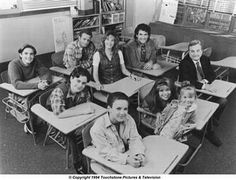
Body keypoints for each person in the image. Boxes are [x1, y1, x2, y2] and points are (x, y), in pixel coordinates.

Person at [179, 39, 226, 147]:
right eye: (192, 51)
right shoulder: (184, 63)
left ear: (201, 51)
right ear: (188, 52)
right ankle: (210, 132)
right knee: (208, 107)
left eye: (198, 50)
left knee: (223, 101)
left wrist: (205, 82)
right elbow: (188, 81)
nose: (196, 54)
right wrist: (204, 86)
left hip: (205, 89)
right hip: (191, 92)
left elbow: (212, 75)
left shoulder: (205, 59)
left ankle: (212, 119)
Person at [46, 66, 91, 173]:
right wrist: (82, 113)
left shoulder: (84, 90)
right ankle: (78, 163)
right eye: (78, 80)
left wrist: (84, 124)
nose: (80, 85)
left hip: (72, 115)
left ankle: (90, 153)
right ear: (71, 78)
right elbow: (59, 113)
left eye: (84, 83)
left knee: (88, 129)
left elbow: (87, 105)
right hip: (56, 118)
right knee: (73, 136)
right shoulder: (59, 90)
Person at [90, 92, 145, 168]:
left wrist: (138, 153)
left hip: (124, 155)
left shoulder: (128, 119)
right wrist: (127, 159)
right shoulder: (97, 128)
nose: (122, 113)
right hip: (106, 161)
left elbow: (134, 138)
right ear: (109, 109)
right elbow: (106, 152)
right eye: (118, 109)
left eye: (125, 109)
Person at [8, 44, 52, 134]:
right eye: (26, 53)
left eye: (31, 54)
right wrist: (37, 85)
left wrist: (45, 81)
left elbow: (45, 71)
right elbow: (17, 84)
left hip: (32, 88)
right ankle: (30, 123)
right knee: (35, 100)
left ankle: (44, 118)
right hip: (18, 92)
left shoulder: (35, 61)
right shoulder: (14, 64)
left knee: (49, 93)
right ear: (20, 54)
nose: (29, 56)